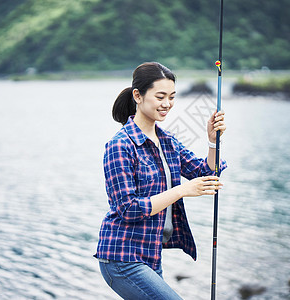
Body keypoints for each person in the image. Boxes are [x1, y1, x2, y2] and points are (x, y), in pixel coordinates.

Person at [94, 62, 227, 299]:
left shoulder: (167, 141)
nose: (167, 104)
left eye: (172, 97)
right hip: (121, 258)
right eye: (160, 96)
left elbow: (205, 173)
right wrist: (181, 190)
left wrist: (212, 141)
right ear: (138, 95)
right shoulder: (120, 146)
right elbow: (128, 209)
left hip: (151, 256)